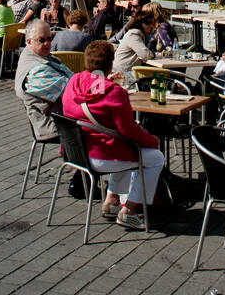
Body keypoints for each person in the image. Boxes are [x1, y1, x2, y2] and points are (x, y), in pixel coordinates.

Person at [62, 40, 165, 231]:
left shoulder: (73, 82)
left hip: (77, 152)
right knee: (155, 158)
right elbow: (128, 130)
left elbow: (93, 92)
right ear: (110, 63)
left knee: (128, 148)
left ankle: (111, 199)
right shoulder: (115, 92)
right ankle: (130, 210)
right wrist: (152, 141)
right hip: (102, 156)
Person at [14, 19, 73, 143]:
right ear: (29, 42)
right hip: (57, 125)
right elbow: (72, 92)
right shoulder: (35, 71)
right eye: (42, 40)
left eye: (50, 38)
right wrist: (98, 83)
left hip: (66, 117)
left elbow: (73, 83)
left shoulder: (42, 56)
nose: (47, 43)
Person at [112, 18, 154, 88]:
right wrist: (154, 54)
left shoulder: (135, 34)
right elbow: (145, 55)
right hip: (122, 73)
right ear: (141, 24)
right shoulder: (134, 35)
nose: (151, 26)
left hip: (125, 71)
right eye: (148, 23)